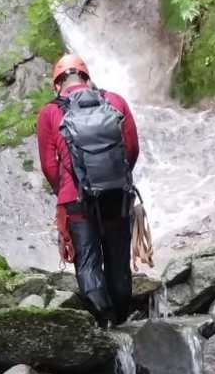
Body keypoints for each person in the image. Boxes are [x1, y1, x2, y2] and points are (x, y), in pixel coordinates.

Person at [36, 54, 139, 327]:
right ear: (86, 77)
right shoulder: (115, 101)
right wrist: (117, 179)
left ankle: (105, 323)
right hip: (117, 195)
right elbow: (131, 149)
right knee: (118, 262)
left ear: (57, 84)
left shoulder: (49, 112)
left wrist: (65, 191)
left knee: (88, 263)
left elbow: (49, 166)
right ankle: (123, 323)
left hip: (77, 201)